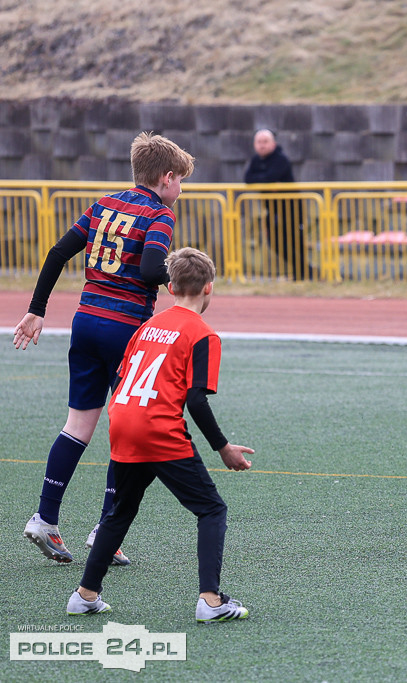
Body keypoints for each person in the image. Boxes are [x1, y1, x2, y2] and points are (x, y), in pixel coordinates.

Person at [15, 132, 195, 566]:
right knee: (128, 430)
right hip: (126, 330)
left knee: (77, 425)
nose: (181, 189)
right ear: (166, 177)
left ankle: (45, 518)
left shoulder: (103, 204)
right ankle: (106, 531)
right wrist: (180, 275)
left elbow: (59, 252)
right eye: (181, 180)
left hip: (85, 322)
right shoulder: (160, 214)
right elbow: (150, 268)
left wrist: (37, 310)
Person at [66, 247, 254, 622]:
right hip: (158, 429)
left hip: (123, 421)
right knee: (212, 509)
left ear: (170, 287)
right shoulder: (203, 334)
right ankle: (210, 601)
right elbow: (195, 400)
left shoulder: (146, 327)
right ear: (209, 288)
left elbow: (122, 379)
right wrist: (223, 448)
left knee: (121, 510)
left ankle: (85, 595)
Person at [244, 129, 306, 280]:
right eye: (259, 142)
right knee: (274, 242)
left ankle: (303, 273)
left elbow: (270, 177)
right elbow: (248, 178)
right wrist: (265, 180)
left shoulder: (281, 159)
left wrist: (263, 179)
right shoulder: (256, 160)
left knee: (294, 241)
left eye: (265, 142)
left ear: (273, 144)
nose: (262, 145)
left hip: (290, 208)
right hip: (272, 209)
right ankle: (305, 271)